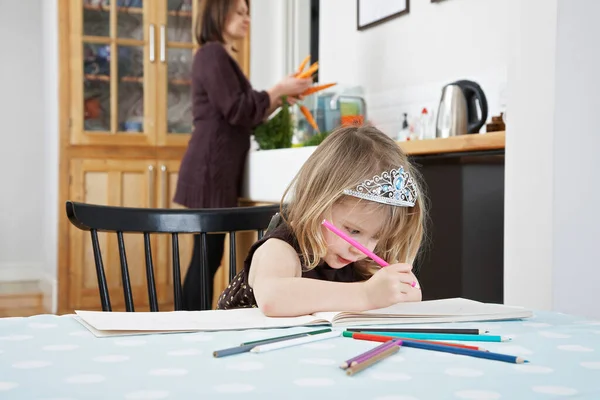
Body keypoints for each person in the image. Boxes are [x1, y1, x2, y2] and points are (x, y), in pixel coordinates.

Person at [174, 0, 313, 310]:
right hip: (212, 165)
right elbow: (237, 108)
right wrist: (277, 90)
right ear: (218, 13)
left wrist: (279, 97)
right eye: (239, 12)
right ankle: (187, 322)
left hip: (215, 164)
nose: (246, 18)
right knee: (207, 255)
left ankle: (186, 321)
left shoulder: (219, 56)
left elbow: (245, 112)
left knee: (207, 255)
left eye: (248, 12)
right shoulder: (213, 54)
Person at [216, 125, 427, 317]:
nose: (362, 249)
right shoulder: (281, 248)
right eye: (353, 231)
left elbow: (402, 297)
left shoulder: (360, 260)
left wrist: (400, 292)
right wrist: (366, 295)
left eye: (376, 237)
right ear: (316, 202)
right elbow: (273, 298)